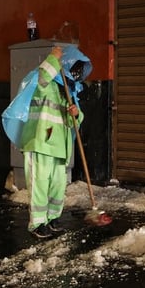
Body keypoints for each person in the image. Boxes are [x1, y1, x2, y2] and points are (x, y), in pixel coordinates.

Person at [21, 45, 83, 238]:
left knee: (57, 185)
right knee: (39, 184)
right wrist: (53, 58)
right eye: (73, 69)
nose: (75, 74)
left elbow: (75, 121)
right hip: (40, 143)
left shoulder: (66, 91)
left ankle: (52, 218)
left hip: (59, 147)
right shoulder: (44, 85)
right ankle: (38, 224)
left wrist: (76, 113)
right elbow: (41, 77)